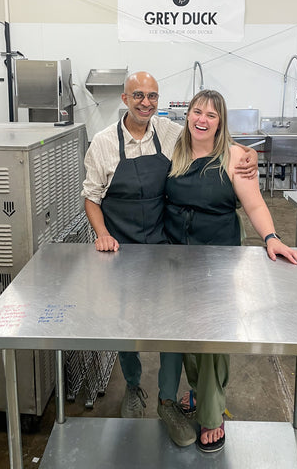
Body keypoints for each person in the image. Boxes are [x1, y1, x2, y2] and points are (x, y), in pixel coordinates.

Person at [82, 71, 259, 447]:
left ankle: (167, 399)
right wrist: (102, 234)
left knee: (172, 326)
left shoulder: (167, 132)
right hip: (121, 247)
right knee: (124, 322)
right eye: (138, 96)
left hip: (165, 245)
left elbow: (210, 137)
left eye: (152, 96)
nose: (146, 102)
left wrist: (248, 153)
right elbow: (91, 197)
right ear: (125, 99)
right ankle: (132, 386)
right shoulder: (101, 143)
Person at [164, 89, 297, 453]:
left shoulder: (236, 157)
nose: (202, 120)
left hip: (218, 257)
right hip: (176, 256)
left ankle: (212, 415)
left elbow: (255, 205)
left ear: (220, 121)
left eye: (211, 115)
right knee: (187, 335)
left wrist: (272, 237)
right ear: (188, 115)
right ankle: (199, 396)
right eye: (197, 112)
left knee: (211, 338)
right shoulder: (174, 148)